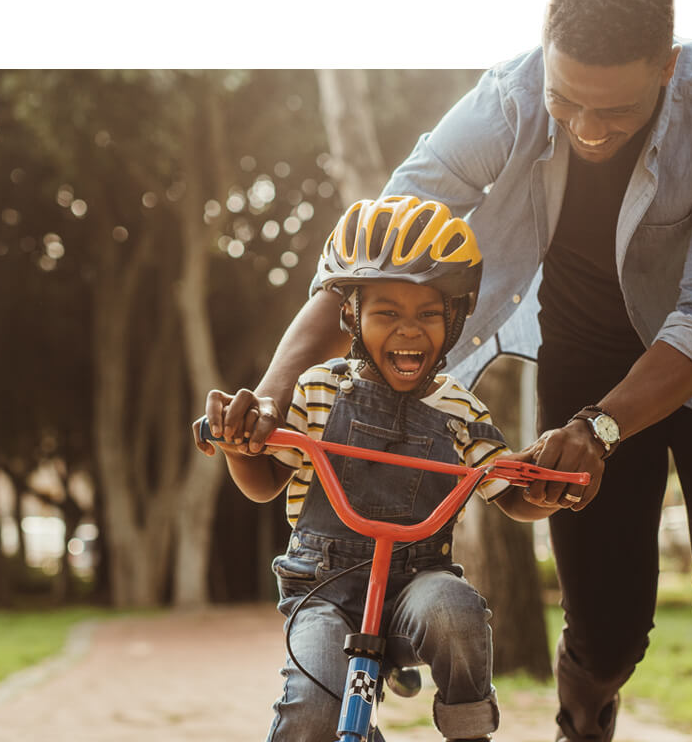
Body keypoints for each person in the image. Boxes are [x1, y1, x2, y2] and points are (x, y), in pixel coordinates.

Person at [228, 0, 692, 742]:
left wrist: (602, 429)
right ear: (545, 55)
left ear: (668, 67)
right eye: (566, 100)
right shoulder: (506, 99)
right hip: (588, 353)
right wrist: (272, 391)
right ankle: (586, 708)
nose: (588, 128)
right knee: (608, 629)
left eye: (617, 110)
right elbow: (378, 253)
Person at [194, 197, 577, 742]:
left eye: (427, 314)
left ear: (455, 317)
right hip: (323, 589)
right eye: (386, 314)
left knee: (456, 610)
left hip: (416, 585)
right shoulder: (319, 389)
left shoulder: (461, 410)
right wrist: (238, 446)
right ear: (350, 315)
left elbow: (508, 492)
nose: (409, 331)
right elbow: (263, 483)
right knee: (311, 711)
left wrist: (545, 489)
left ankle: (470, 731)